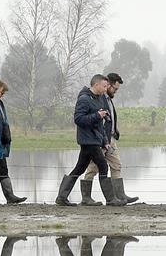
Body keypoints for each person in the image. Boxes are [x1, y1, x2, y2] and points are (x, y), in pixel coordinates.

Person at [81, 72, 141, 206]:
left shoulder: (108, 99)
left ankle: (120, 196)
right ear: (108, 85)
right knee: (93, 167)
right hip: (101, 140)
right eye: (114, 88)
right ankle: (86, 197)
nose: (115, 91)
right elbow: (98, 120)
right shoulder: (99, 99)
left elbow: (109, 119)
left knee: (116, 165)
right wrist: (102, 140)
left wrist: (115, 130)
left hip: (110, 139)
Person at [57, 75, 114, 206]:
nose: (106, 90)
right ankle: (111, 200)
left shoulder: (98, 99)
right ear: (96, 85)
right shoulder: (84, 99)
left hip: (94, 139)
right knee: (103, 166)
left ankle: (62, 197)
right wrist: (96, 115)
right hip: (87, 140)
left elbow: (99, 124)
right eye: (104, 86)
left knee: (79, 168)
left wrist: (105, 141)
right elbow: (78, 119)